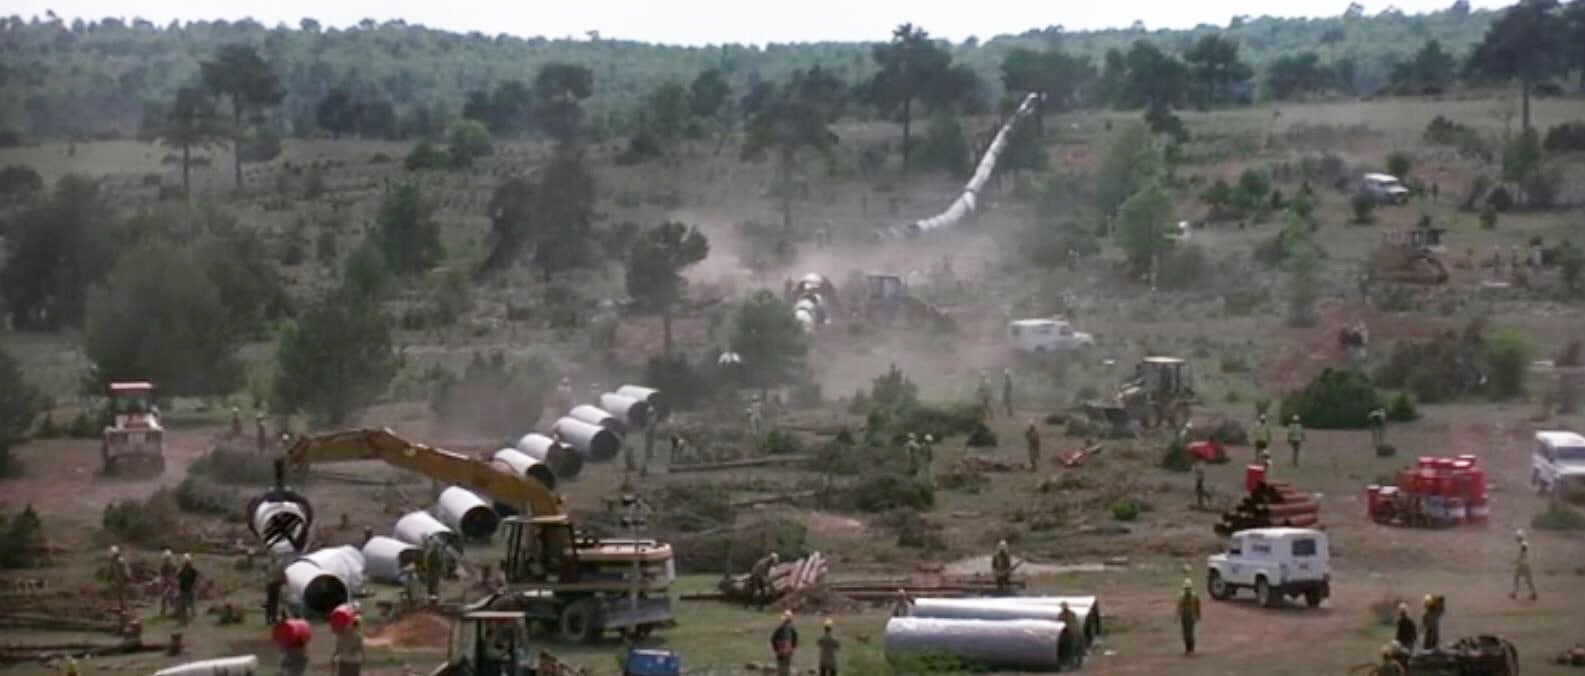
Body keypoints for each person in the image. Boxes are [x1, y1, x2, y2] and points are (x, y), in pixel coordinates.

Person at [770, 611, 799, 676]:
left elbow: (773, 639)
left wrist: (776, 649)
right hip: (788, 651)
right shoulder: (791, 629)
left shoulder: (779, 629)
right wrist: (792, 648)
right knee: (786, 668)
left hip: (780, 651)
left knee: (781, 668)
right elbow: (795, 639)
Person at [1511, 529, 1537, 600]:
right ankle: (1533, 593)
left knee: (1517, 577)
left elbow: (1522, 553)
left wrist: (1515, 561)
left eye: (1517, 537)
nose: (1516, 538)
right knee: (1527, 579)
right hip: (1525, 563)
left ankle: (1515, 593)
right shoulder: (1524, 543)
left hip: (1523, 563)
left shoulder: (1524, 544)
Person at [1177, 579, 1201, 655]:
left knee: (1190, 632)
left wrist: (1198, 615)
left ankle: (1191, 649)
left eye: (1188, 588)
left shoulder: (1194, 595)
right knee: (1185, 632)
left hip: (1191, 614)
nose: (1187, 590)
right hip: (1184, 615)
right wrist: (1177, 614)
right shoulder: (1182, 595)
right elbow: (1179, 606)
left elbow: (1197, 605)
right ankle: (1187, 648)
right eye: (1186, 588)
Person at [1057, 601, 1082, 668]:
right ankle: (1074, 664)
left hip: (1073, 633)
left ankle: (1075, 664)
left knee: (1074, 649)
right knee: (1074, 649)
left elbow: (1063, 624)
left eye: (1063, 606)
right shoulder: (1067, 614)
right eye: (1062, 606)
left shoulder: (1066, 614)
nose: (1063, 607)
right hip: (1072, 633)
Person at [107, 546, 132, 614]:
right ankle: (121, 608)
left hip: (123, 580)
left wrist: (127, 578)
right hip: (117, 580)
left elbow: (126, 570)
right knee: (119, 595)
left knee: (123, 595)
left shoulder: (120, 560)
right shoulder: (113, 561)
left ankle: (125, 609)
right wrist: (109, 577)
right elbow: (111, 570)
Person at [176, 554, 200, 623]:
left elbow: (196, 580)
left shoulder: (193, 572)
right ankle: (184, 618)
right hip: (183, 590)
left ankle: (192, 616)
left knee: (192, 604)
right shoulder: (181, 572)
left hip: (190, 589)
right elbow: (179, 581)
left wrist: (194, 587)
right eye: (186, 564)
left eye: (188, 563)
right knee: (183, 605)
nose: (187, 565)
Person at [158, 549, 178, 617]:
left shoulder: (174, 566)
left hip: (172, 582)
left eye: (168, 559)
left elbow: (175, 574)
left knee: (173, 597)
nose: (167, 560)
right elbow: (162, 575)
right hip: (165, 582)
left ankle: (175, 611)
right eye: (166, 559)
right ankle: (163, 610)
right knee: (164, 597)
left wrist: (173, 581)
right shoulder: (163, 566)